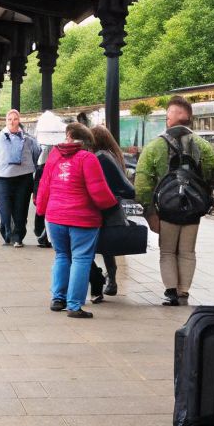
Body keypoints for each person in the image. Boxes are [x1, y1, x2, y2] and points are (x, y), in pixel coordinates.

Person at [135, 96, 214, 306]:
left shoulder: (154, 146)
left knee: (167, 251)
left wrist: (149, 210)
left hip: (166, 209)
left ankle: (171, 291)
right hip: (193, 209)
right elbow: (213, 173)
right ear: (189, 118)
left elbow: (143, 180)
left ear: (170, 118)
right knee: (187, 251)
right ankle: (184, 290)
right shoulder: (204, 147)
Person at [35, 121, 121, 318]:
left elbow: (44, 185)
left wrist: (41, 210)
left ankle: (58, 299)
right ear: (87, 142)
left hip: (55, 217)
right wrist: (112, 205)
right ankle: (74, 305)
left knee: (61, 256)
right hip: (83, 219)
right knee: (81, 259)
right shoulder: (87, 158)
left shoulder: (54, 156)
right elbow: (99, 192)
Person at [86, 125, 132, 303]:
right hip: (114, 208)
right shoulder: (115, 156)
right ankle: (111, 280)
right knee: (106, 247)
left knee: (89, 246)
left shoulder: (99, 158)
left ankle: (99, 278)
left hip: (100, 206)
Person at [0, 110, 40, 247]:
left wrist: (35, 175)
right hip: (2, 179)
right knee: (5, 211)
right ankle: (7, 234)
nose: (12, 121)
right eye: (9, 119)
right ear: (6, 121)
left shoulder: (28, 139)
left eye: (15, 119)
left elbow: (36, 156)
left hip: (23, 179)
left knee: (21, 211)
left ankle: (18, 238)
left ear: (19, 120)